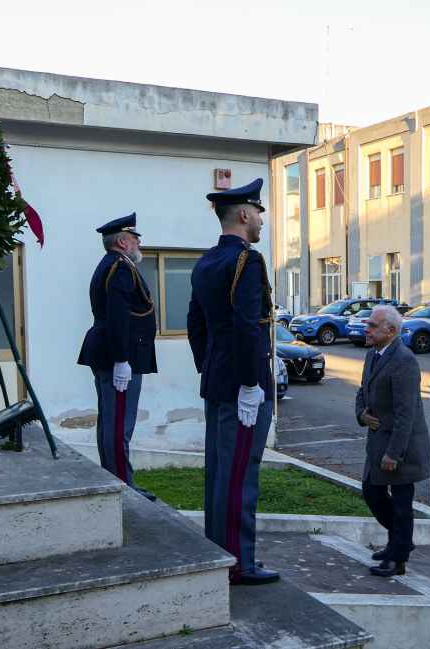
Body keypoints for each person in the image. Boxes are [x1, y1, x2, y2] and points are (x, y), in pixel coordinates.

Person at [187, 178, 279, 585]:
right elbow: (247, 326)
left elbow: (195, 323)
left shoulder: (207, 261)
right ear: (243, 214)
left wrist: (210, 367)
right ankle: (239, 562)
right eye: (258, 211)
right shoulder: (247, 261)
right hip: (244, 383)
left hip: (218, 379)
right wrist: (249, 383)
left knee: (221, 472)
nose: (261, 219)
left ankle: (219, 553)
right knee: (241, 473)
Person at [77, 213, 157, 500]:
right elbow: (118, 316)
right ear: (123, 242)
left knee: (112, 422)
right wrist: (122, 360)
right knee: (118, 425)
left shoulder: (114, 264)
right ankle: (124, 489)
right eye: (135, 238)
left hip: (113, 354)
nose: (139, 243)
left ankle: (115, 482)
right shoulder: (120, 267)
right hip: (119, 357)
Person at [355, 305, 430, 577]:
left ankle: (397, 559)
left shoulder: (404, 360)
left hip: (402, 447)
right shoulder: (372, 354)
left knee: (401, 505)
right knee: (371, 492)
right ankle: (401, 541)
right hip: (377, 441)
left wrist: (393, 454)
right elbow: (362, 391)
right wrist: (361, 414)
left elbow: (406, 413)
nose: (367, 329)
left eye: (372, 326)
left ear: (390, 331)